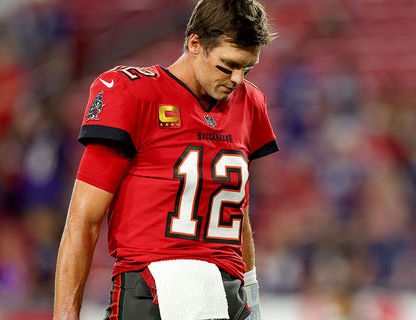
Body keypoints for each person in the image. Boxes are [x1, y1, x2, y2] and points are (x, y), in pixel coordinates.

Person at [53, 0, 278, 319]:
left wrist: (252, 294)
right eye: (227, 66)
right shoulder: (134, 93)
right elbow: (83, 219)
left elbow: (237, 211)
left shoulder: (250, 103)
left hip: (226, 289)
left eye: (247, 68)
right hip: (152, 288)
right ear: (195, 44)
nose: (237, 80)